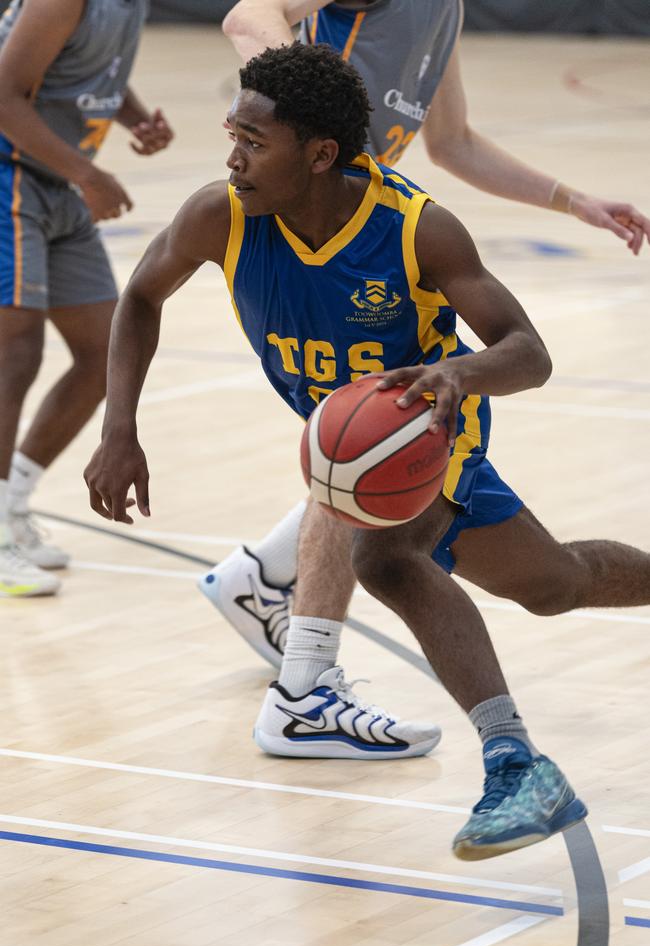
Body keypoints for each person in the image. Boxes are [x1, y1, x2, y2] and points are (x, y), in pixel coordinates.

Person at [85, 43, 649, 859]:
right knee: (555, 584)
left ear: (319, 154)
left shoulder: (417, 229)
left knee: (383, 559)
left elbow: (529, 352)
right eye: (232, 134)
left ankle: (516, 763)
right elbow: (139, 295)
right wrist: (119, 428)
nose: (234, 156)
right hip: (356, 444)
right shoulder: (222, 214)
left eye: (253, 140)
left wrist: (460, 372)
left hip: (429, 425)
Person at [199, 0, 650, 669]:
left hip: (366, 230)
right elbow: (248, 16)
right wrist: (307, 97)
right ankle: (305, 681)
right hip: (307, 217)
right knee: (364, 428)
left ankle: (263, 579)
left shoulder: (444, 10)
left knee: (369, 439)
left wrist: (571, 199)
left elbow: (454, 143)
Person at [0, 0, 173, 597]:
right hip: (9, 175)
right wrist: (88, 174)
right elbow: (3, 95)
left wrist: (134, 118)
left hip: (56, 180)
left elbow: (95, 70)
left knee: (104, 352)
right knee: (14, 353)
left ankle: (11, 504)